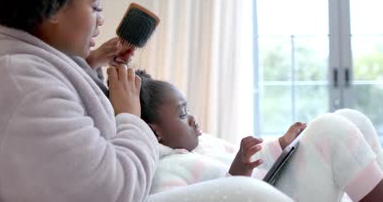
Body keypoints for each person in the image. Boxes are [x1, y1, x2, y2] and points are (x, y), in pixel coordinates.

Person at [0, 0, 292, 202]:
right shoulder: (22, 85)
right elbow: (112, 192)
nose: (101, 19)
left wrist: (91, 63)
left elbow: (60, 112)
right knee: (252, 195)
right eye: (96, 5)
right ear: (54, 8)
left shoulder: (21, 69)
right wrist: (130, 117)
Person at [135, 70, 383, 202]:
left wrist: (281, 144)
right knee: (331, 130)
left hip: (274, 186)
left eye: (188, 110)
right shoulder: (165, 172)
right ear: (156, 132)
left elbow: (257, 161)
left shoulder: (204, 144)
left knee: (351, 118)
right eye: (182, 115)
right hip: (264, 196)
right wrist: (235, 174)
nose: (193, 118)